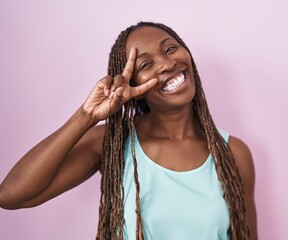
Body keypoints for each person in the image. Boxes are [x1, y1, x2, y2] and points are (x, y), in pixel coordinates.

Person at [0, 22, 257, 240]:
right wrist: (86, 116)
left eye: (170, 49)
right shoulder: (111, 142)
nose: (167, 64)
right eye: (146, 65)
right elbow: (11, 195)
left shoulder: (232, 153)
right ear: (133, 87)